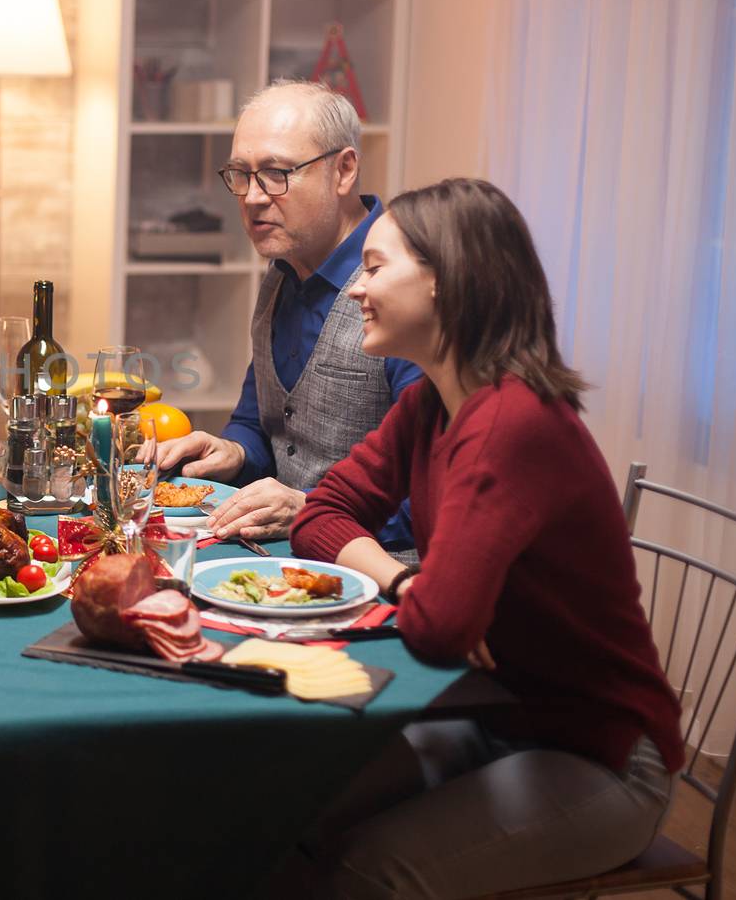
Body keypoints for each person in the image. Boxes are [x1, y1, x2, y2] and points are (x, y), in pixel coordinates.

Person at [287, 178, 682, 897]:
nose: (354, 290)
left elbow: (442, 629)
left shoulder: (512, 424)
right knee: (290, 815)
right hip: (498, 718)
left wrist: (425, 598)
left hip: (602, 758)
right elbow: (320, 514)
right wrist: (404, 579)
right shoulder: (430, 406)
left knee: (369, 869)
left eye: (375, 267)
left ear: (444, 279)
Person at [157, 81, 419, 547]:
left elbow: (429, 496)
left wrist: (310, 509)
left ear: (344, 170)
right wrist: (233, 451)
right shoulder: (282, 269)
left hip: (382, 582)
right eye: (241, 174)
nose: (253, 197)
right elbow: (261, 423)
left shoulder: (402, 285)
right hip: (282, 562)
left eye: (277, 172)